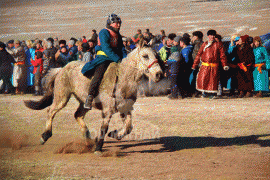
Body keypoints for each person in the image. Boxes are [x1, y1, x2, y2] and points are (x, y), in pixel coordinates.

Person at [81, 13, 127, 109]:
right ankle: (90, 97)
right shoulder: (104, 32)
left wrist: (125, 60)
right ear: (110, 23)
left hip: (115, 58)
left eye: (119, 23)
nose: (119, 25)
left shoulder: (118, 35)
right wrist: (117, 59)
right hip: (104, 59)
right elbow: (106, 49)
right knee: (99, 75)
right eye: (116, 23)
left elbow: (122, 48)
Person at [192, 30, 229, 99]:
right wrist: (194, 65)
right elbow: (198, 55)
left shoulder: (218, 44)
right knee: (203, 79)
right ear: (208, 36)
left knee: (213, 80)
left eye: (213, 35)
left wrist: (224, 65)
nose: (212, 37)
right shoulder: (204, 44)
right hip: (205, 66)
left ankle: (213, 94)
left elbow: (222, 55)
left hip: (214, 66)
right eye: (211, 35)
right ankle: (204, 93)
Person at [191, 31, 204, 97]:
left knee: (197, 78)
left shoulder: (198, 44)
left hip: (198, 64)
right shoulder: (201, 43)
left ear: (196, 37)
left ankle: (197, 92)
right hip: (199, 64)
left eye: (193, 36)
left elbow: (197, 55)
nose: (192, 37)